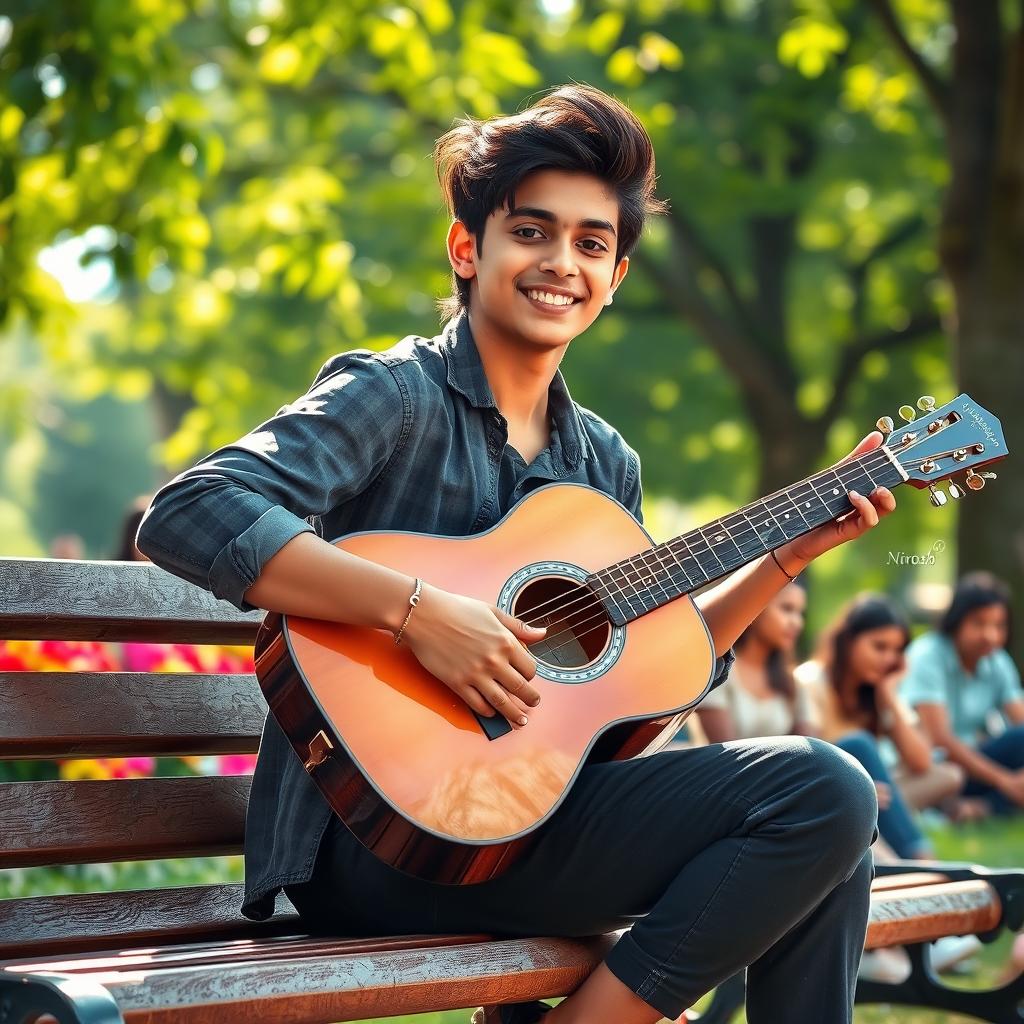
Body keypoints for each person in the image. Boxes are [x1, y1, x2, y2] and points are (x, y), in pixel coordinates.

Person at [137, 85, 896, 1024]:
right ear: (469, 247)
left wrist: (787, 555)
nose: (560, 263)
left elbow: (638, 682)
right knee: (826, 786)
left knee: (838, 825)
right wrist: (421, 614)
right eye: (532, 231)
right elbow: (193, 509)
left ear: (615, 277)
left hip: (531, 821)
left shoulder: (602, 462)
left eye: (590, 244)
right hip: (374, 841)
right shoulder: (395, 396)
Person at [796, 594, 961, 860]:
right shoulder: (811, 679)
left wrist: (887, 692)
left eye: (896, 651)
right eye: (879, 647)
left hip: (876, 794)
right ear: (849, 641)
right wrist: (860, 786)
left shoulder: (874, 692)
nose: (888, 658)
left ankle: (901, 844)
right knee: (858, 743)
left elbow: (921, 762)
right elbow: (811, 758)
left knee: (948, 774)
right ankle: (919, 857)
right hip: (827, 791)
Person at [901, 572, 1024, 815]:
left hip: (976, 763)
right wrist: (1004, 781)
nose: (990, 635)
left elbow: (1019, 718)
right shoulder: (928, 655)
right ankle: (980, 805)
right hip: (933, 766)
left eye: (998, 626)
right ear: (957, 621)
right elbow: (940, 739)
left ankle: (979, 808)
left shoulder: (996, 661)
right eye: (979, 623)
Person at [696, 579, 815, 742]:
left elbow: (813, 750)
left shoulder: (791, 681)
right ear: (756, 608)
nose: (797, 623)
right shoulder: (719, 668)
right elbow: (722, 751)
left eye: (800, 613)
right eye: (787, 609)